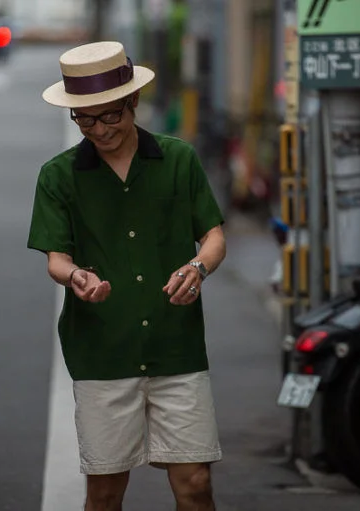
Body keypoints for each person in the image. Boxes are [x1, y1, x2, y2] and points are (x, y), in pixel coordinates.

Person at [27, 41, 227, 511]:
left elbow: (213, 237)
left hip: (175, 346)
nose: (100, 130)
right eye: (86, 119)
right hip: (102, 350)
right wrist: (76, 277)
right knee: (105, 492)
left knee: (196, 483)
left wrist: (197, 267)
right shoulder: (58, 176)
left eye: (110, 116)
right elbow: (56, 258)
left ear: (132, 102)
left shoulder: (179, 160)